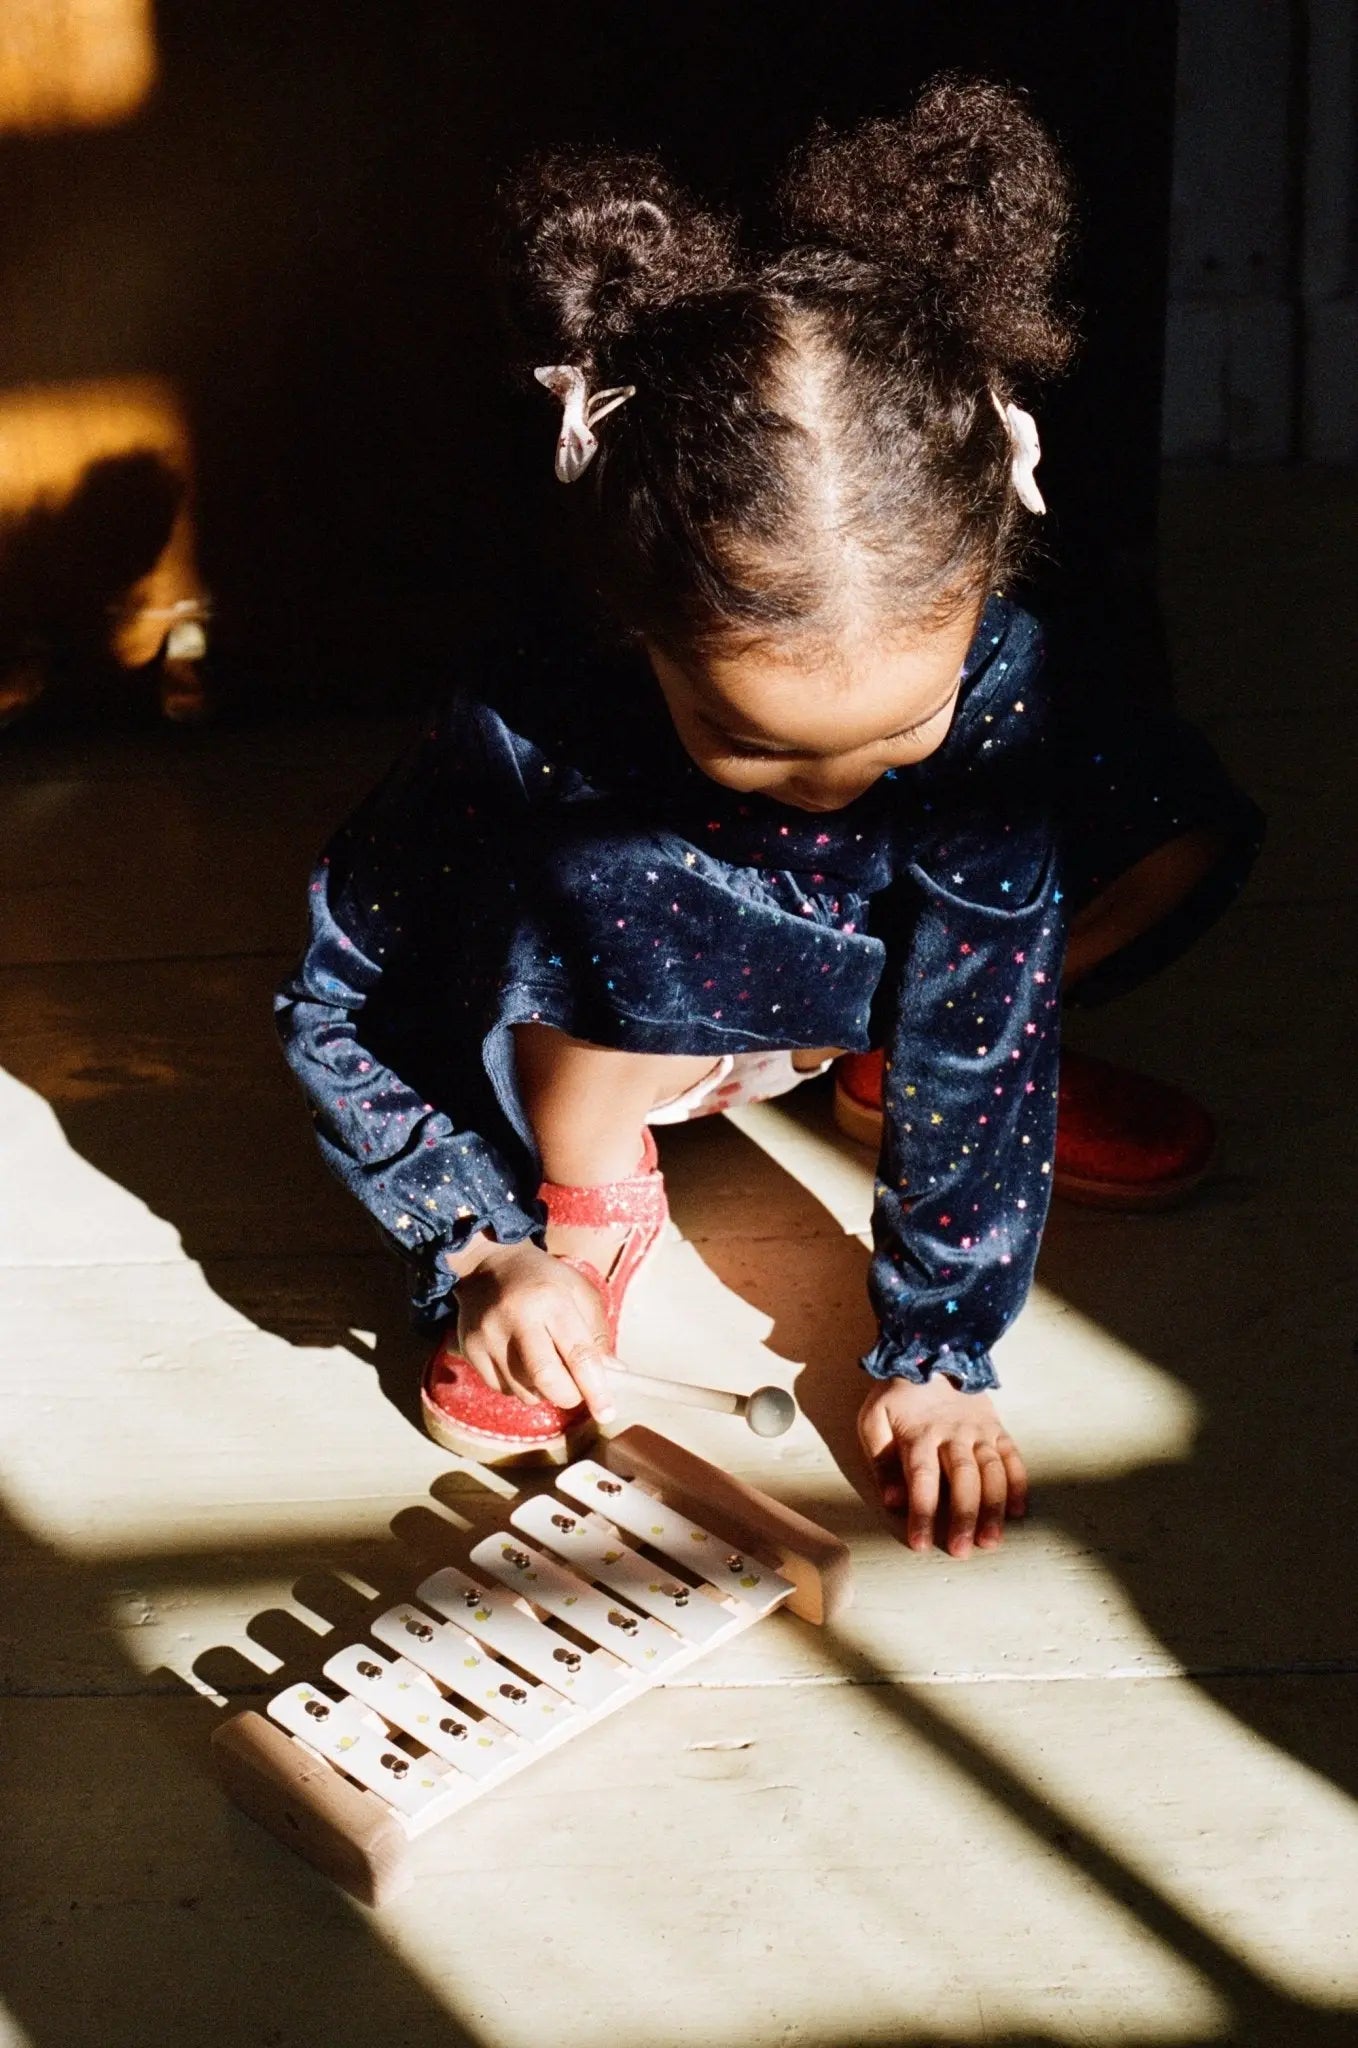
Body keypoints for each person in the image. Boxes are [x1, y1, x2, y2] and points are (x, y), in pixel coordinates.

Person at [275, 78, 1261, 1558]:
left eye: (899, 726)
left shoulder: (1002, 681)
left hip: (863, 970)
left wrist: (935, 1346)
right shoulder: (534, 728)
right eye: (750, 740)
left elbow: (978, 994)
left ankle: (881, 1074)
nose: (837, 783)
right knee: (605, 879)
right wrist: (473, 1241)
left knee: (1147, 836)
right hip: (648, 1005)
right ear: (632, 625)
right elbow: (340, 1002)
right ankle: (593, 1194)